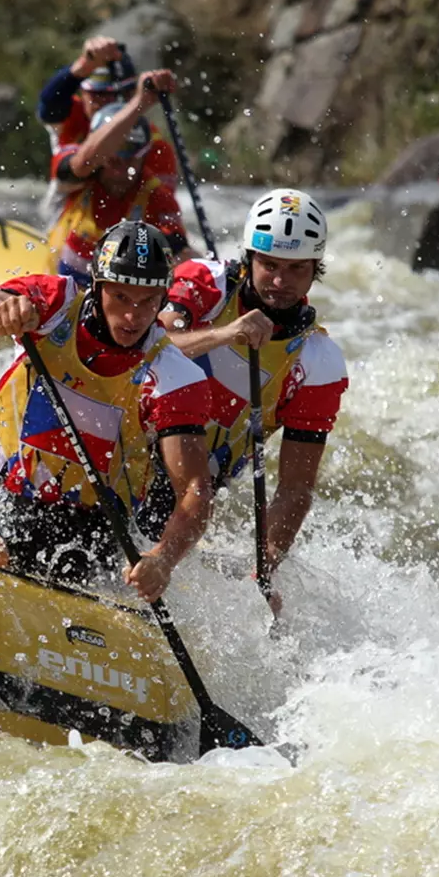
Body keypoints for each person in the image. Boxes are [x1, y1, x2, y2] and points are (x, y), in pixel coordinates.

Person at [0, 221, 215, 603]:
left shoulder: (174, 376)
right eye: (121, 298)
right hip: (12, 502)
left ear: (163, 298)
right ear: (97, 285)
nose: (132, 316)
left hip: (98, 527)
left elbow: (194, 489)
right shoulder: (54, 304)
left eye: (146, 302)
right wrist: (1, 312)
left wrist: (162, 559)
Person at [157, 188, 348, 592]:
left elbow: (295, 489)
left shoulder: (318, 360)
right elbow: (144, 348)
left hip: (190, 496)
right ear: (249, 259)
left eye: (297, 269)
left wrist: (262, 572)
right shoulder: (204, 283)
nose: (280, 281)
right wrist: (226, 334)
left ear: (316, 268)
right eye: (269, 265)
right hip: (125, 457)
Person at [46, 71, 192, 289]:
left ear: (143, 156)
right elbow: (84, 162)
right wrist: (140, 103)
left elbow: (179, 253)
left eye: (129, 154)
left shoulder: (156, 195)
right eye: (112, 152)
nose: (119, 161)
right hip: (59, 282)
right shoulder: (78, 170)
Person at [36, 37, 177, 187]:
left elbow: (162, 202)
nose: (106, 103)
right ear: (83, 93)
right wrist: (83, 65)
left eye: (117, 95)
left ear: (132, 94)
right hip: (70, 203)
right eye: (98, 95)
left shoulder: (153, 143)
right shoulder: (72, 114)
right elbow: (47, 106)